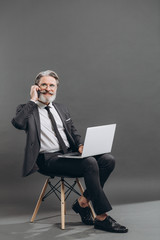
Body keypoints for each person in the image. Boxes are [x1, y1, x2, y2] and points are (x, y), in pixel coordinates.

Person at [11, 70, 128, 233]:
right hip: (48, 160)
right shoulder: (27, 109)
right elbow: (18, 123)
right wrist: (32, 100)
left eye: (52, 85)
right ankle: (102, 217)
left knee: (108, 159)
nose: (48, 88)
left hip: (68, 155)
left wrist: (80, 145)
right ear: (36, 87)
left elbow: (73, 131)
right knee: (89, 162)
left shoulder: (61, 108)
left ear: (56, 88)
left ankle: (83, 202)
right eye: (43, 84)